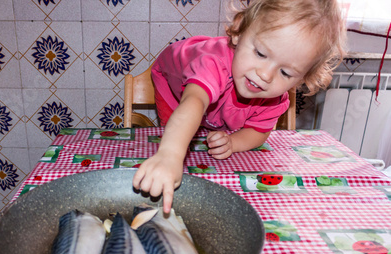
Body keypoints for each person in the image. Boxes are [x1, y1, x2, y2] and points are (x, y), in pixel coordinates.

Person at [132, 0, 346, 213]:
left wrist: (232, 142)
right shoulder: (212, 62)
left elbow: (259, 132)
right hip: (175, 85)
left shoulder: (274, 98)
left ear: (302, 79)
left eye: (285, 73)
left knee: (209, 124)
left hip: (218, 95)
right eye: (261, 54)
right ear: (238, 32)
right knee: (179, 142)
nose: (265, 74)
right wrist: (170, 154)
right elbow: (194, 102)